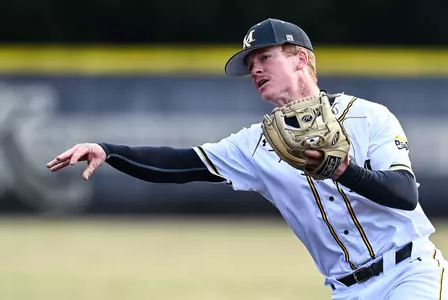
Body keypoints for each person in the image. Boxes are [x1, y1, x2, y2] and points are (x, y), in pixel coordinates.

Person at [46, 18, 446, 299]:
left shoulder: (366, 115)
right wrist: (109, 151)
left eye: (264, 58)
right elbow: (181, 164)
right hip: (346, 290)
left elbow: (404, 193)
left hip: (409, 275)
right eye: (250, 65)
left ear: (300, 59)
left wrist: (340, 169)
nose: (254, 69)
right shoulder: (256, 144)